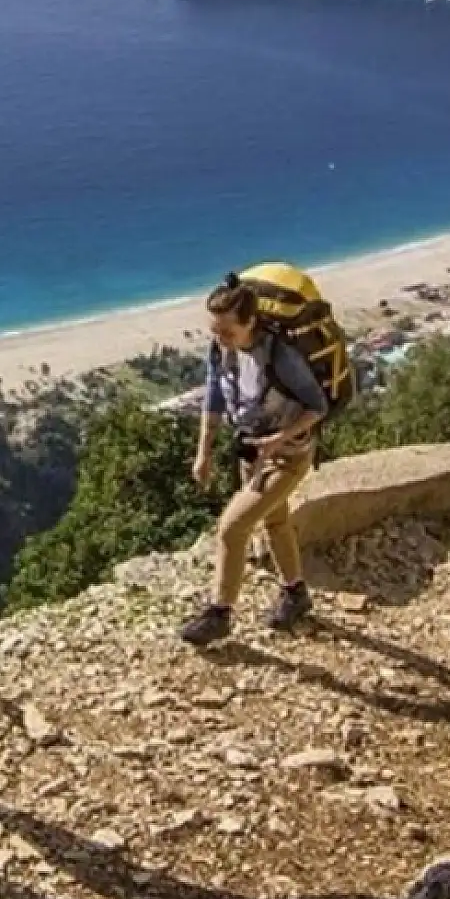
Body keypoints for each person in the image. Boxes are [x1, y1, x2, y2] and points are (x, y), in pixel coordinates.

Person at [180, 274, 329, 648]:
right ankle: (296, 594)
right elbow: (213, 401)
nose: (219, 338)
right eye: (214, 330)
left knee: (231, 528)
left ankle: (219, 613)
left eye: (227, 331)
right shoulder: (221, 351)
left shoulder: (281, 355)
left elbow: (317, 406)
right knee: (276, 523)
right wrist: (204, 453)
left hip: (289, 456)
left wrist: (278, 439)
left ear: (250, 323)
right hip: (251, 452)